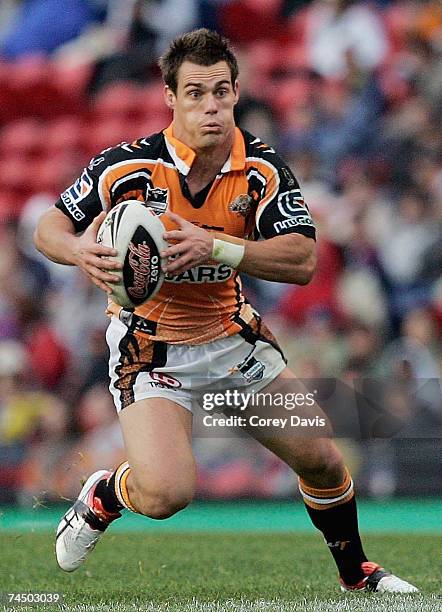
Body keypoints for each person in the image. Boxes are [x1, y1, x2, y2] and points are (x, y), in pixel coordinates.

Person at [34, 28, 417, 593]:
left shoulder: (261, 169)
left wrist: (214, 245)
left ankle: (356, 575)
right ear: (170, 97)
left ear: (236, 92)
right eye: (194, 93)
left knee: (324, 461)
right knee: (167, 494)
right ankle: (104, 495)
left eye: (220, 91)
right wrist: (79, 253)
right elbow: (50, 227)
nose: (209, 105)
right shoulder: (126, 167)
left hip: (233, 342)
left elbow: (303, 259)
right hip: (151, 346)